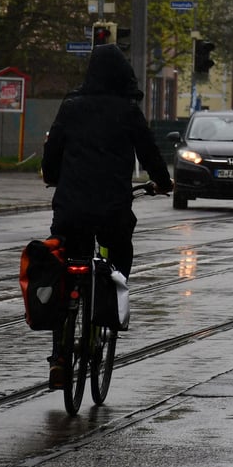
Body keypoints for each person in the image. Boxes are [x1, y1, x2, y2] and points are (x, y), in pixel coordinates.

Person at [41, 44, 173, 389]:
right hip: (112, 209)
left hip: (71, 208)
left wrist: (53, 176)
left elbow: (53, 151)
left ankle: (58, 356)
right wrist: (163, 182)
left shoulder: (71, 107)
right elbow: (149, 152)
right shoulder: (128, 111)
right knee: (119, 254)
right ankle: (109, 317)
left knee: (64, 271)